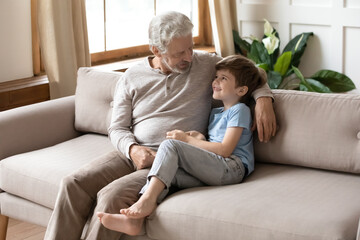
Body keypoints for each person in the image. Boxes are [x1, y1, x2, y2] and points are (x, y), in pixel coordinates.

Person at [44, 11, 276, 240]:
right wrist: (132, 150)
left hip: (170, 159)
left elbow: (252, 73)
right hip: (131, 152)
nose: (188, 57)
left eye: (190, 47)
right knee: (72, 184)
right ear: (156, 50)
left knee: (111, 196)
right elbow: (117, 128)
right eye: (179, 53)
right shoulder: (132, 76)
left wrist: (264, 99)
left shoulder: (205, 65)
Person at [96, 55, 267, 235]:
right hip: (218, 167)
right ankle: (135, 221)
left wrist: (187, 141)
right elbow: (214, 148)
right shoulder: (216, 112)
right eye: (216, 76)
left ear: (241, 90)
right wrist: (199, 139)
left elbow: (225, 150)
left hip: (233, 168)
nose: (215, 81)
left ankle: (145, 201)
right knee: (166, 174)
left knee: (170, 145)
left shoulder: (240, 110)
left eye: (223, 78)